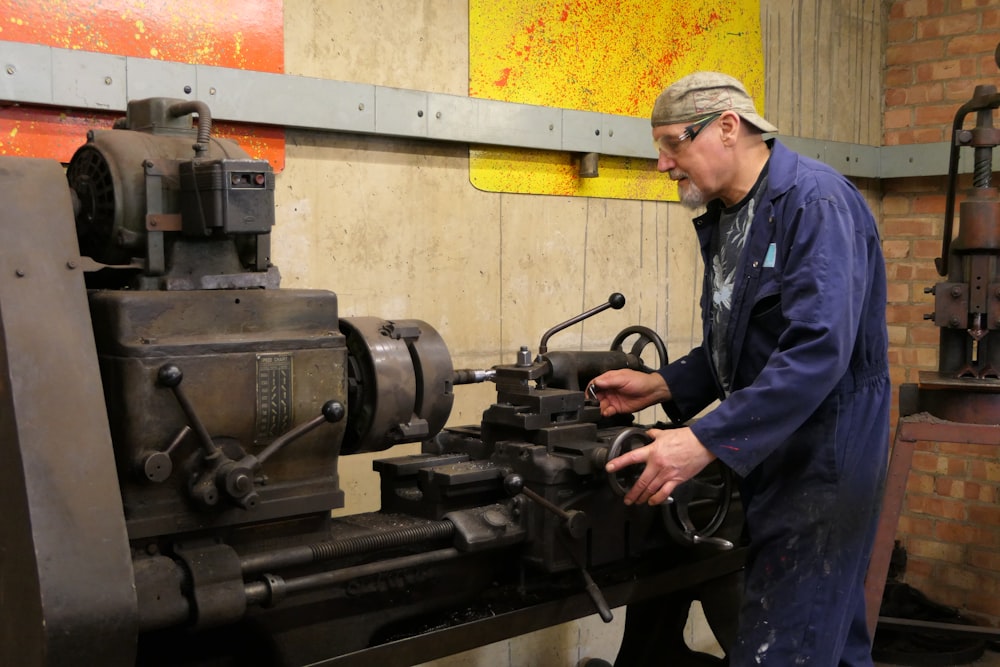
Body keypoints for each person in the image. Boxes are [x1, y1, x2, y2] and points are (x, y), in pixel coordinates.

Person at [589, 72, 890, 666]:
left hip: (824, 451)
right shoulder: (732, 214)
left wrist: (703, 438)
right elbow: (743, 337)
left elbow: (816, 351)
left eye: (674, 143)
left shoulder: (815, 203)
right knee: (828, 636)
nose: (663, 164)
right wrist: (666, 383)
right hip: (778, 443)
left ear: (728, 127)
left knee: (789, 642)